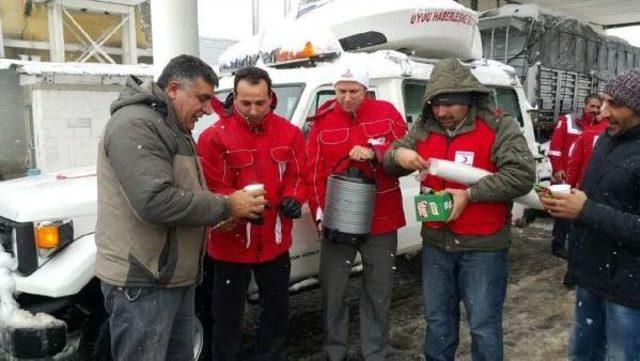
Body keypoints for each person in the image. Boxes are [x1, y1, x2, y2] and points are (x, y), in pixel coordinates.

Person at [95, 55, 267, 361]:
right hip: (145, 282)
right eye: (202, 99)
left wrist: (217, 218)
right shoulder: (136, 124)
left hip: (173, 277)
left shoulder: (172, 126)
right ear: (174, 88)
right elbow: (155, 201)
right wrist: (226, 205)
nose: (208, 109)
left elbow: (183, 193)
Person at [383, 58, 535, 361]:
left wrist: (470, 194)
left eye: (450, 104)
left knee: (483, 326)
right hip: (437, 244)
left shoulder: (499, 125)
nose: (442, 112)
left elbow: (521, 175)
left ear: (468, 97)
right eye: (436, 104)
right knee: (437, 321)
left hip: (483, 247)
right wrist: (399, 154)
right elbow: (389, 159)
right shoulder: (425, 128)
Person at [197, 66, 307, 361]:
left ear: (271, 98)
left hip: (274, 242)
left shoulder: (290, 133)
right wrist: (238, 208)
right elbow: (213, 187)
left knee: (276, 313)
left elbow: (298, 175)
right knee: (226, 319)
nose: (253, 110)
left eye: (260, 102)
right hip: (230, 246)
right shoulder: (213, 137)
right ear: (234, 98)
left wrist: (293, 199)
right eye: (245, 103)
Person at [305, 63, 407, 360]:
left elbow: (407, 149)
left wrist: (377, 151)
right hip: (339, 218)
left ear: (366, 90)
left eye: (353, 91)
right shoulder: (322, 121)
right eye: (340, 91)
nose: (346, 97)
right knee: (333, 288)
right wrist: (321, 213)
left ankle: (376, 350)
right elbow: (313, 173)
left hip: (382, 216)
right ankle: (334, 350)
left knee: (379, 288)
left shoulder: (386, 112)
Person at [541, 68, 640, 361]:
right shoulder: (608, 139)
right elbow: (592, 197)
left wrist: (585, 209)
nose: (603, 112)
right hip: (591, 276)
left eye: (614, 104)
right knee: (584, 355)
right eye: (604, 102)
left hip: (629, 290)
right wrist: (565, 202)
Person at [548, 94, 603, 259]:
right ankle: (557, 244)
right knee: (562, 212)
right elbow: (555, 147)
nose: (594, 110)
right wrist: (557, 169)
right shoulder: (568, 121)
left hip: (581, 176)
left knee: (575, 213)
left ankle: (572, 246)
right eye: (592, 106)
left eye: (597, 107)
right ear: (584, 106)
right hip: (565, 175)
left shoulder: (598, 126)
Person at [566, 108, 611, 189]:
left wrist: (570, 186)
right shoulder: (626, 136)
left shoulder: (589, 132)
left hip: (586, 186)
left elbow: (575, 164)